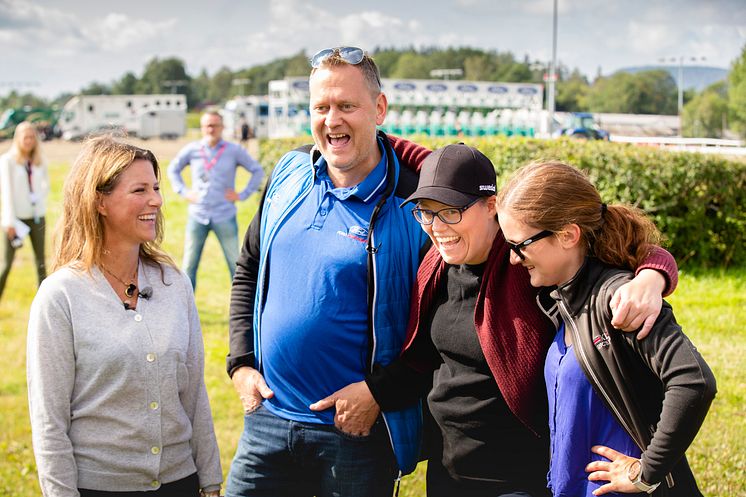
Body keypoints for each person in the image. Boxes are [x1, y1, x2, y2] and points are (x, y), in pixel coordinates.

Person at [356, 144, 680, 497]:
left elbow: (620, 243)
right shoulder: (436, 264)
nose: (436, 227)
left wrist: (652, 277)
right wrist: (368, 132)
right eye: (425, 213)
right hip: (449, 472)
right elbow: (420, 362)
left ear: (491, 206)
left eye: (450, 212)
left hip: (517, 478)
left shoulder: (529, 262)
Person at [225, 46, 432, 497]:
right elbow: (249, 269)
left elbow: (443, 326)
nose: (331, 120)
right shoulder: (289, 172)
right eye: (321, 107)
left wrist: (380, 393)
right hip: (268, 421)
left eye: (346, 106)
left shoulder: (415, 204)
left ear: (379, 109)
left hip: (354, 436)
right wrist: (240, 363)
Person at [496, 161, 716, 497]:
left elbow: (693, 381)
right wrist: (656, 269)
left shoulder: (619, 299)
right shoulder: (560, 296)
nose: (513, 258)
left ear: (568, 235)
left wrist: (647, 471)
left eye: (519, 245)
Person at [27, 136, 222, 497]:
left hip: (181, 482)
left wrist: (210, 480)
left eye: (157, 188)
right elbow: (49, 422)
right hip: (98, 488)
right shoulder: (60, 296)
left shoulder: (173, 283)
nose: (157, 200)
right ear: (99, 201)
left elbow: (194, 393)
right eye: (140, 190)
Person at [167, 110, 265, 289]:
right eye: (207, 126)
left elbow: (257, 170)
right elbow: (173, 169)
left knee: (236, 265)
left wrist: (242, 194)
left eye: (214, 125)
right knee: (189, 265)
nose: (211, 129)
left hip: (224, 215)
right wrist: (184, 191)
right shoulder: (192, 150)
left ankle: (243, 310)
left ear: (222, 127)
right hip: (198, 215)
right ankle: (186, 312)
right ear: (202, 128)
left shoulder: (233, 150)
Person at [0, 121, 49, 300]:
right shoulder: (8, 161)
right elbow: (7, 193)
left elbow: (46, 186)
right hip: (16, 220)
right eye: (25, 137)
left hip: (36, 217)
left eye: (31, 137)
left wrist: (38, 200)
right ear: (18, 139)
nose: (28, 141)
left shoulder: (39, 160)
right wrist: (9, 222)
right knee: (6, 264)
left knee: (41, 262)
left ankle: (44, 301)